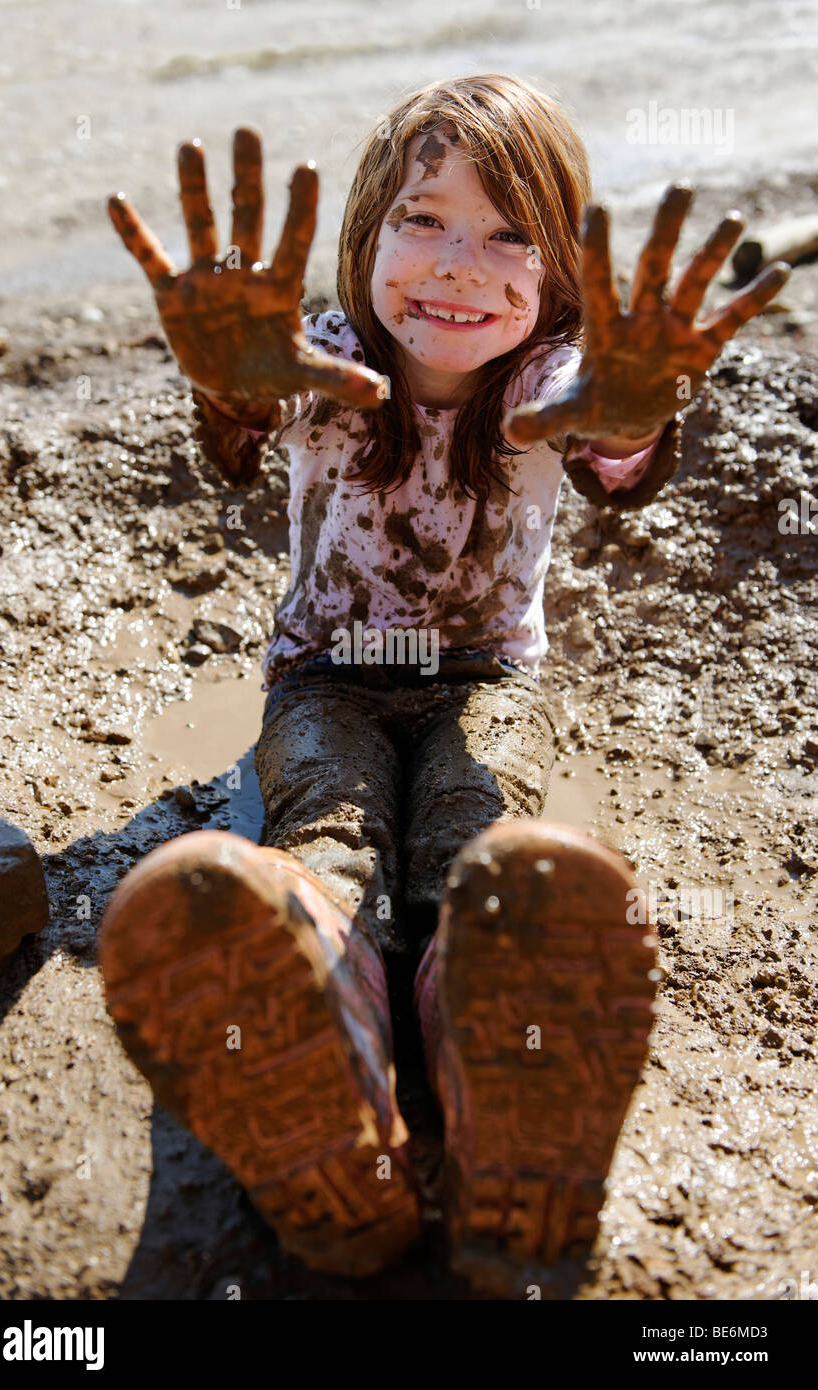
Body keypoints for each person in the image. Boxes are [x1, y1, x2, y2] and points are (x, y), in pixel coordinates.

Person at [97, 74, 789, 1295]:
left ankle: (499, 1076)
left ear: (560, 270)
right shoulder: (318, 355)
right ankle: (325, 1066)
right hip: (330, 678)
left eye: (511, 233)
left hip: (484, 682)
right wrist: (224, 385)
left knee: (484, 837)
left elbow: (599, 433)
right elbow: (243, 416)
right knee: (329, 817)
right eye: (424, 219)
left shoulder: (546, 378)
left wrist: (631, 413)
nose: (461, 265)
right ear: (365, 232)